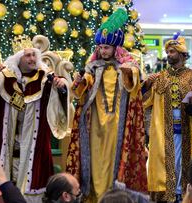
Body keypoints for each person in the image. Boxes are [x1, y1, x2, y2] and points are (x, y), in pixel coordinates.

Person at [0, 35, 73, 202]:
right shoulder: (4, 77)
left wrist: (61, 87)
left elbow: (61, 94)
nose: (32, 59)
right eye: (27, 55)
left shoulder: (45, 78)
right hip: (7, 141)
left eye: (33, 55)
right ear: (18, 58)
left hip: (34, 142)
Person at [66, 8, 147, 202]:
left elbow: (135, 82)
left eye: (107, 47)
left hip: (117, 125)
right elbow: (81, 89)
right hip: (94, 124)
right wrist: (79, 82)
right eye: (100, 47)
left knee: (114, 159)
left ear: (115, 48)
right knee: (95, 160)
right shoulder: (92, 68)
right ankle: (94, 196)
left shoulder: (126, 66)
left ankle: (111, 197)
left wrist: (130, 70)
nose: (103, 51)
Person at [143, 33, 192, 202]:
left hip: (186, 129)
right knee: (167, 162)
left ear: (182, 54)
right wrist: (145, 86)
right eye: (168, 52)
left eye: (172, 52)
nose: (169, 55)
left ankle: (183, 193)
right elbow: (144, 101)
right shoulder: (160, 78)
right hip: (164, 131)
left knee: (183, 162)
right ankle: (168, 195)